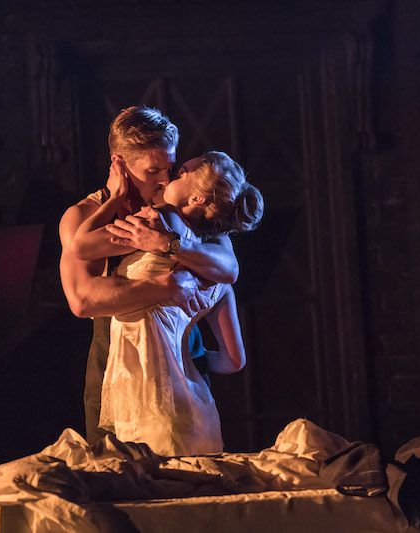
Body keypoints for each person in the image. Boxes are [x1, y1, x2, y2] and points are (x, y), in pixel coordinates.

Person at [58, 106, 239, 445]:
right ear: (119, 164)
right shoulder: (81, 217)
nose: (165, 179)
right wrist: (163, 287)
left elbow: (229, 268)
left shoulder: (181, 205)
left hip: (188, 372)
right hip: (116, 382)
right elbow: (83, 301)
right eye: (153, 169)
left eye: (170, 167)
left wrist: (170, 245)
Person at [92, 151, 263, 455]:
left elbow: (82, 246)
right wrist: (183, 356)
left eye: (182, 172)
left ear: (197, 199)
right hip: (193, 398)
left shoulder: (157, 220)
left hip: (144, 392)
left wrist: (114, 197)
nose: (172, 175)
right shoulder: (214, 267)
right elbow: (234, 360)